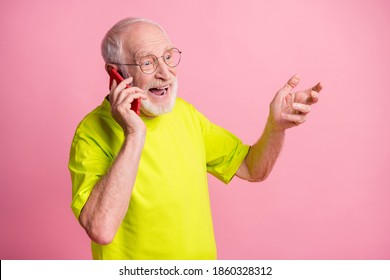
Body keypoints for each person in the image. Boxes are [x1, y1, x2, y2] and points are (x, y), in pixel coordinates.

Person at [68, 17, 323, 260]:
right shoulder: (91, 132)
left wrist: (276, 128)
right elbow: (101, 229)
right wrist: (134, 134)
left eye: (168, 57)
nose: (166, 74)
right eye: (147, 62)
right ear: (116, 73)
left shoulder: (185, 114)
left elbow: (251, 168)